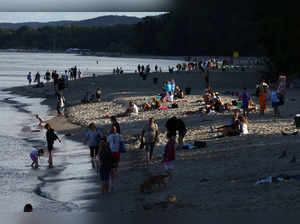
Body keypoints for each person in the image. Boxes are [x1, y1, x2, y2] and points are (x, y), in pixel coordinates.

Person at [108, 126, 124, 192]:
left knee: (117, 161)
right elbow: (108, 143)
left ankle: (116, 171)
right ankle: (113, 171)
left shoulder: (119, 135)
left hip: (117, 150)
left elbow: (121, 142)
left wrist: (121, 148)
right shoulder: (110, 136)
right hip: (111, 150)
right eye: (112, 129)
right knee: (112, 162)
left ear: (116, 130)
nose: (113, 130)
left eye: (114, 129)